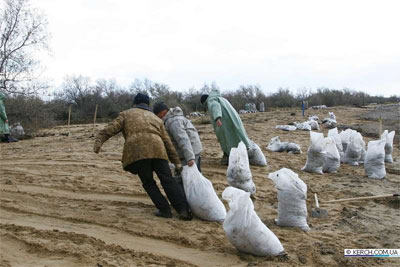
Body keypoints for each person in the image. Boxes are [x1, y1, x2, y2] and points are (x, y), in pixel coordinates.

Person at [93, 93, 192, 220]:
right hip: (158, 150)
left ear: (135, 103)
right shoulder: (156, 118)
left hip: (138, 151)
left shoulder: (126, 114)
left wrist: (99, 141)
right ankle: (183, 210)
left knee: (148, 182)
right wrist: (176, 162)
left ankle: (165, 210)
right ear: (148, 104)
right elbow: (167, 142)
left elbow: (110, 129)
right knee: (168, 180)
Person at [201, 89, 252, 165]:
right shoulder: (221, 99)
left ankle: (229, 156)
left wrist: (217, 118)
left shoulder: (211, 101)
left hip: (224, 122)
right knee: (238, 135)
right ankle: (246, 151)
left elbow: (215, 106)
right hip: (233, 120)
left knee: (227, 139)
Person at [153, 101, 203, 172]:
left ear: (162, 112)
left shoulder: (174, 122)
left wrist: (190, 158)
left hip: (191, 152)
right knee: (193, 175)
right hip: (193, 150)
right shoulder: (173, 118)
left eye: (157, 115)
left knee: (186, 176)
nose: (157, 117)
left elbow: (183, 139)